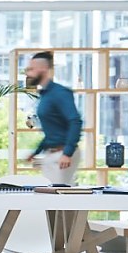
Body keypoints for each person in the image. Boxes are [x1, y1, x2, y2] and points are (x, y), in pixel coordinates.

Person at [25, 51, 83, 185]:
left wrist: (67, 153)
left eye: (31, 69)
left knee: (59, 198)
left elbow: (75, 121)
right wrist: (36, 152)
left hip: (62, 155)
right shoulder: (45, 95)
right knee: (52, 198)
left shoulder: (60, 93)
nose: (28, 74)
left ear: (43, 69)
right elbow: (53, 131)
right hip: (52, 155)